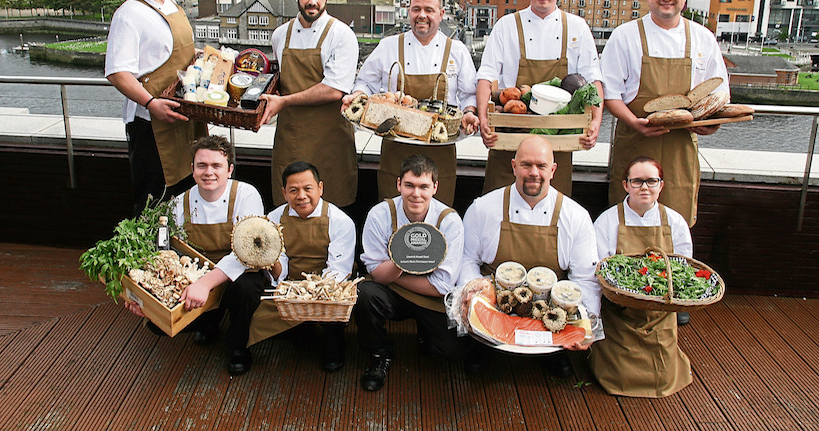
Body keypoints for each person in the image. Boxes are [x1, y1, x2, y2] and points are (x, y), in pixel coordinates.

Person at [125, 135, 266, 376]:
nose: (208, 172)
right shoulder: (180, 203)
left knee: (246, 290)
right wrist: (137, 296)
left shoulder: (246, 195)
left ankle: (239, 346)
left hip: (239, 272)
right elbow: (166, 252)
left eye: (216, 166)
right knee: (156, 325)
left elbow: (247, 251)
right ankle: (209, 320)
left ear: (230, 170)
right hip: (197, 271)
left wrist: (205, 284)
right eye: (202, 165)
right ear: (192, 170)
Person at [459, 136, 599, 377]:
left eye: (541, 166)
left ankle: (555, 351)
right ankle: (485, 346)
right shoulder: (483, 208)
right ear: (514, 166)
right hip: (496, 306)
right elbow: (466, 260)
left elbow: (585, 278)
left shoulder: (576, 216)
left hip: (553, 311)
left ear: (553, 170)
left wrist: (586, 328)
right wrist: (474, 297)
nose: (534, 173)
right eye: (526, 165)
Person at [600, 0, 729, 228]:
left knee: (676, 223)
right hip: (635, 141)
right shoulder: (625, 36)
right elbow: (609, 94)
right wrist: (634, 121)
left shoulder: (703, 38)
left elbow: (719, 94)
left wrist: (711, 123)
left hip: (680, 150)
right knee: (627, 223)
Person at [476, 0, 603, 197]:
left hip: (557, 142)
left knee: (553, 213)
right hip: (509, 138)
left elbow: (593, 80)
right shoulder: (506, 26)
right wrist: (484, 117)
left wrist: (595, 121)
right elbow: (487, 76)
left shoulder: (577, 27)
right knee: (498, 208)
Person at [344, 0, 478, 205]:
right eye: (416, 9)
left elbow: (468, 94)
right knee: (392, 214)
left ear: (441, 14)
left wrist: (470, 112)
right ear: (408, 11)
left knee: (438, 216)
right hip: (396, 148)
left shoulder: (457, 50)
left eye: (429, 10)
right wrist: (356, 96)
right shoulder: (388, 46)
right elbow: (365, 82)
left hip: (441, 151)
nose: (421, 15)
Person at [105, 0, 207, 215]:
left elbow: (181, 54)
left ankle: (180, 256)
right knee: (156, 202)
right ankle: (152, 257)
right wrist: (151, 103)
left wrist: (210, 57)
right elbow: (117, 72)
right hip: (151, 125)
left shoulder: (172, 4)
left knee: (186, 193)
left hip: (184, 117)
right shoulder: (128, 15)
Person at [356, 154, 465, 392]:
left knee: (451, 351)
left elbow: (442, 288)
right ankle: (379, 353)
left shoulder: (449, 220)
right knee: (364, 294)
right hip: (389, 293)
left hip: (430, 298)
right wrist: (402, 260)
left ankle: (426, 334)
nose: (416, 194)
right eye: (410, 186)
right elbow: (376, 273)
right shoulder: (380, 214)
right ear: (398, 184)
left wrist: (396, 273)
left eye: (424, 186)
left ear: (435, 187)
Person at [589, 157, 693, 397]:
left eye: (651, 181)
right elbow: (599, 270)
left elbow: (682, 269)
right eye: (637, 181)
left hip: (660, 313)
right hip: (620, 313)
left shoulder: (675, 222)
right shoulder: (607, 220)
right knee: (619, 376)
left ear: (661, 185)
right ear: (626, 185)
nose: (644, 187)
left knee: (664, 375)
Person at [260, 0, 359, 208]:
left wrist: (284, 102)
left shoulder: (341, 35)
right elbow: (278, 80)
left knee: (333, 207)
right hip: (290, 137)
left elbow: (334, 89)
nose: (312, 2)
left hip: (330, 139)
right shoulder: (280, 35)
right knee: (289, 206)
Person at [246, 161, 356, 373]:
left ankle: (334, 342)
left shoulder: (340, 221)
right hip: (289, 287)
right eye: (293, 190)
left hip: (327, 290)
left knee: (333, 315)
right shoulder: (273, 219)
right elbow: (279, 265)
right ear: (284, 192)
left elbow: (337, 269)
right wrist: (275, 269)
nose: (301, 196)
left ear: (320, 188)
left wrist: (313, 292)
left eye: (308, 189)